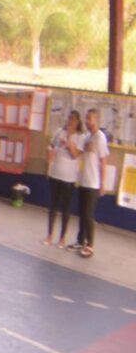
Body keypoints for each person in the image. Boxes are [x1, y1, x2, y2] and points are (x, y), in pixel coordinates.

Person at [74, 108, 110, 258]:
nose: (87, 121)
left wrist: (103, 183)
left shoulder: (100, 137)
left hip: (93, 183)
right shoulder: (87, 136)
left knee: (88, 215)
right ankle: (80, 240)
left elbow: (103, 162)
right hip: (84, 180)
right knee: (82, 213)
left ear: (96, 120)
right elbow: (78, 153)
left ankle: (90, 245)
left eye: (90, 118)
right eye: (86, 118)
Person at [44, 110, 82, 248]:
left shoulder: (80, 137)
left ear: (77, 122)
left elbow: (74, 155)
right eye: (69, 118)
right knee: (53, 206)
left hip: (69, 178)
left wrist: (69, 139)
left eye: (73, 119)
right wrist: (50, 152)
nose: (70, 121)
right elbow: (51, 146)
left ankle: (62, 238)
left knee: (65, 208)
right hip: (55, 174)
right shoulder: (59, 132)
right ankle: (49, 235)